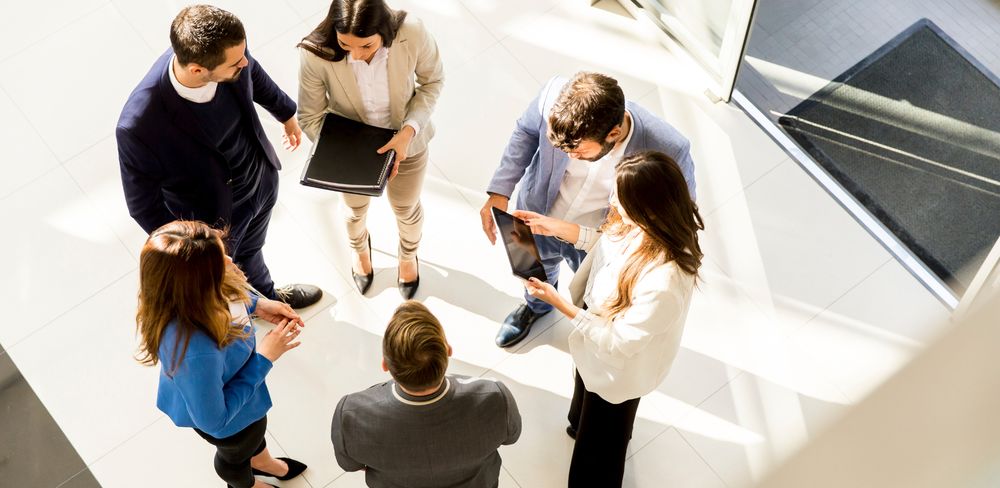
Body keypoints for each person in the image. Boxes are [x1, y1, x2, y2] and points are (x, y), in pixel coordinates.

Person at [514, 150, 703, 487]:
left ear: (648, 208)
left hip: (619, 366)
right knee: (584, 388)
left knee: (601, 447)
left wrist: (561, 304)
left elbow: (618, 343)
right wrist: (554, 227)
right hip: (594, 332)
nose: (612, 199)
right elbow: (606, 243)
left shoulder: (664, 283)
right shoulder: (637, 223)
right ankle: (577, 421)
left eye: (620, 196)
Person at [117, 5, 322, 309]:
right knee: (221, 282)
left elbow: (254, 74)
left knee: (252, 250)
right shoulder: (139, 126)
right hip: (213, 222)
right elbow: (144, 208)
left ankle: (266, 295)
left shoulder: (230, 55)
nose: (245, 62)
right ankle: (238, 313)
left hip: (260, 180)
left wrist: (286, 113)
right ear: (198, 70)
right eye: (236, 64)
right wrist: (199, 249)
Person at [481, 71, 696, 348]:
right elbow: (525, 132)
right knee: (531, 275)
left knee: (593, 296)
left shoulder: (669, 148)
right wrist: (500, 191)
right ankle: (536, 309)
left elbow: (678, 213)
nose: (570, 157)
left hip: (597, 241)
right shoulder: (553, 97)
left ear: (614, 134)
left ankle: (590, 331)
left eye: (579, 152)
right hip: (535, 215)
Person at [135, 220, 310, 488]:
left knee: (255, 433)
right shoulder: (193, 352)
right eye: (219, 261)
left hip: (243, 397)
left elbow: (225, 298)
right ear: (198, 284)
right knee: (235, 456)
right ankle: (247, 484)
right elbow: (215, 422)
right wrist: (264, 358)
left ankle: (262, 462)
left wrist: (256, 304)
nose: (229, 260)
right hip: (230, 420)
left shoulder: (195, 293)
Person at [297, 0, 445, 299]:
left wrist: (409, 130)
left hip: (408, 142)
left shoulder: (412, 32)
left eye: (366, 46)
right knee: (353, 212)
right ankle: (359, 251)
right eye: (345, 44)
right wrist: (351, 153)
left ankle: (407, 256)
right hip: (351, 149)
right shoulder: (315, 54)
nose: (356, 54)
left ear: (384, 31)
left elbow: (432, 81)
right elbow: (309, 116)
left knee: (406, 208)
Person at [330, 301, 521, 488]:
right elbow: (511, 437)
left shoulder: (350, 415)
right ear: (448, 351)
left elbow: (351, 465)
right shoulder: (495, 397)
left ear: (385, 365)